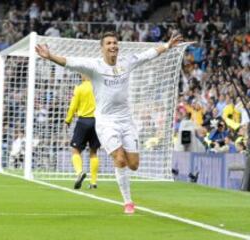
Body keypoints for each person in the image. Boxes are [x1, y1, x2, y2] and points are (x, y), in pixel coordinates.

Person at [36, 31, 182, 214]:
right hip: (106, 122)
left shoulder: (126, 62)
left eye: (115, 43)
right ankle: (128, 202)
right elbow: (69, 62)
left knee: (134, 164)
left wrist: (167, 46)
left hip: (126, 121)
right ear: (102, 48)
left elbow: (149, 54)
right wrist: (49, 57)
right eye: (109, 43)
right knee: (120, 159)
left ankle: (121, 175)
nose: (113, 46)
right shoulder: (94, 66)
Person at [65, 75, 100, 190]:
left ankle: (80, 172)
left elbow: (73, 106)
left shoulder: (79, 88)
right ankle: (93, 182)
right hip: (97, 121)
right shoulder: (98, 88)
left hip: (83, 121)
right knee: (93, 152)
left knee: (75, 150)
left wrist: (68, 120)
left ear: (84, 75)